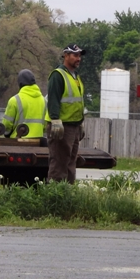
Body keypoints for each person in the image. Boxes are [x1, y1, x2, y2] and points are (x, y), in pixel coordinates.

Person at [46, 43, 86, 182]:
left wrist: (80, 123)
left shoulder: (75, 76)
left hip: (73, 126)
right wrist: (55, 120)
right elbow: (53, 100)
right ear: (66, 55)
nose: (78, 58)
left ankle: (68, 192)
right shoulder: (58, 75)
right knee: (59, 163)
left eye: (79, 55)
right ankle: (55, 193)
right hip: (62, 127)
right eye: (75, 55)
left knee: (70, 164)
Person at [0, 69, 46, 139]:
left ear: (20, 84)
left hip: (18, 142)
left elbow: (7, 125)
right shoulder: (44, 101)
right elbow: (46, 126)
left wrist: (7, 134)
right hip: (39, 141)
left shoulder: (14, 100)